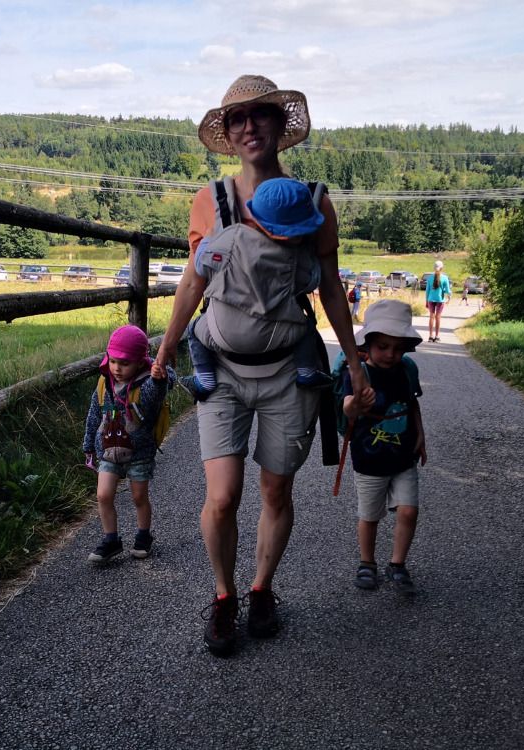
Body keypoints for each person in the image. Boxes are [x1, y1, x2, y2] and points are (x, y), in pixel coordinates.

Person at [152, 74, 373, 657]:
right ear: (227, 134)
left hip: (287, 374)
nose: (250, 127)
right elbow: (193, 282)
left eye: (261, 115)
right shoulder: (211, 201)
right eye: (237, 119)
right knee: (223, 495)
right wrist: (166, 348)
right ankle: (224, 595)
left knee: (276, 490)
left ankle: (261, 588)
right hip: (222, 372)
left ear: (280, 125)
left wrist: (355, 364)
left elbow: (330, 286)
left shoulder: (314, 202)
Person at [179, 177, 333, 399]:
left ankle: (205, 379)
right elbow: (312, 281)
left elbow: (201, 264)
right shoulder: (298, 259)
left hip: (224, 335)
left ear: (257, 219)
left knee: (194, 330)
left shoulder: (230, 241)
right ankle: (306, 372)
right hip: (279, 336)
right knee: (307, 327)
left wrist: (209, 238)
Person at [337, 299, 426, 596]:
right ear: (369, 343)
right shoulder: (358, 373)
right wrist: (356, 402)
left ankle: (397, 565)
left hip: (404, 457)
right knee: (370, 516)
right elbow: (347, 409)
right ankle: (367, 563)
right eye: (383, 346)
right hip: (369, 460)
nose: (391, 354)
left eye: (398, 348)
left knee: (409, 511)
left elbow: (412, 404)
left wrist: (421, 437)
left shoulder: (407, 370)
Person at [82, 325, 175, 563]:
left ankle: (143, 536)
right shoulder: (104, 383)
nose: (117, 368)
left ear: (140, 362)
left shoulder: (147, 384)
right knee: (103, 495)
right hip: (107, 450)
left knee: (138, 497)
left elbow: (154, 397)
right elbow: (94, 414)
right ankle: (111, 539)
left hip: (139, 453)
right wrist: (88, 444)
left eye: (124, 363)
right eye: (113, 361)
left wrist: (158, 379)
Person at [425, 260, 451, 342]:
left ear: (434, 268)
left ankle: (430, 336)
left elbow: (427, 291)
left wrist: (426, 301)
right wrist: (449, 297)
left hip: (430, 299)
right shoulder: (445, 278)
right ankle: (437, 336)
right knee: (438, 317)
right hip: (440, 300)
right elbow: (448, 290)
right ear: (442, 268)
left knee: (431, 317)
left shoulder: (429, 278)